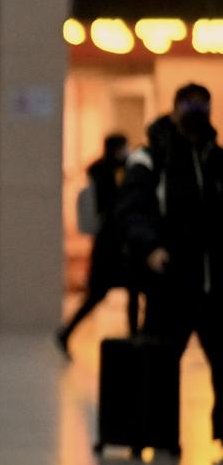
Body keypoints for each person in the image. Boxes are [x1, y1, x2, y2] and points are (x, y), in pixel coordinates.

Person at [117, 83, 223, 446]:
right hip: (171, 283)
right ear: (175, 110)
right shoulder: (152, 157)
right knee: (160, 365)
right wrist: (150, 247)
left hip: (214, 284)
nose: (196, 113)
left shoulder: (214, 158)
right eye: (189, 106)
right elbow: (133, 207)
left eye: (202, 106)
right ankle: (158, 435)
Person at [56, 133, 135, 357]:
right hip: (112, 246)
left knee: (122, 290)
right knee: (103, 293)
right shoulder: (108, 174)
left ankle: (133, 335)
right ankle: (67, 332)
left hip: (110, 244)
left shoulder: (102, 171)